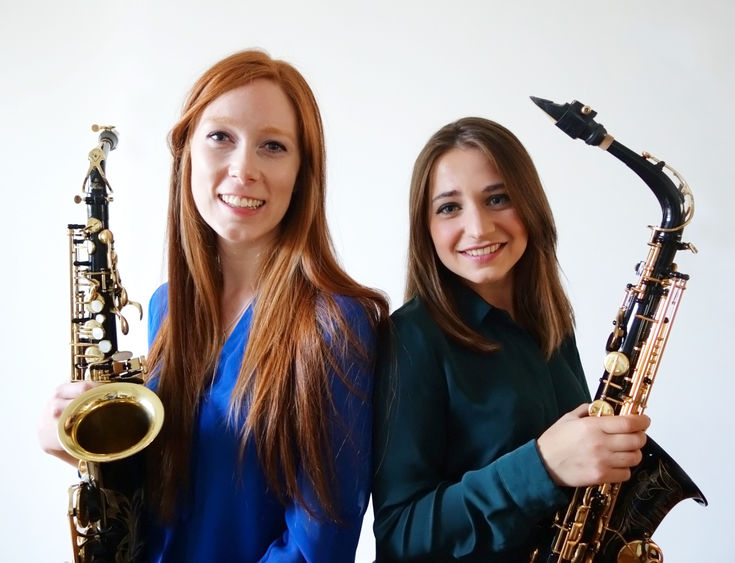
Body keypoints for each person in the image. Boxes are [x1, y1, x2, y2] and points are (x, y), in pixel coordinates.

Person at [39, 49, 388, 562]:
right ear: (187, 153)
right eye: (221, 137)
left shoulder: (334, 323)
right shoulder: (166, 307)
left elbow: (319, 550)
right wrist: (79, 448)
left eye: (273, 146)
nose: (243, 168)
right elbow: (166, 496)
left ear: (302, 172)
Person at [372, 117, 650, 561]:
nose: (478, 228)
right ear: (425, 227)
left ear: (530, 204)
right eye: (449, 207)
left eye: (497, 198)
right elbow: (400, 533)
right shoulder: (409, 340)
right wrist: (541, 466)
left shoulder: (551, 323)